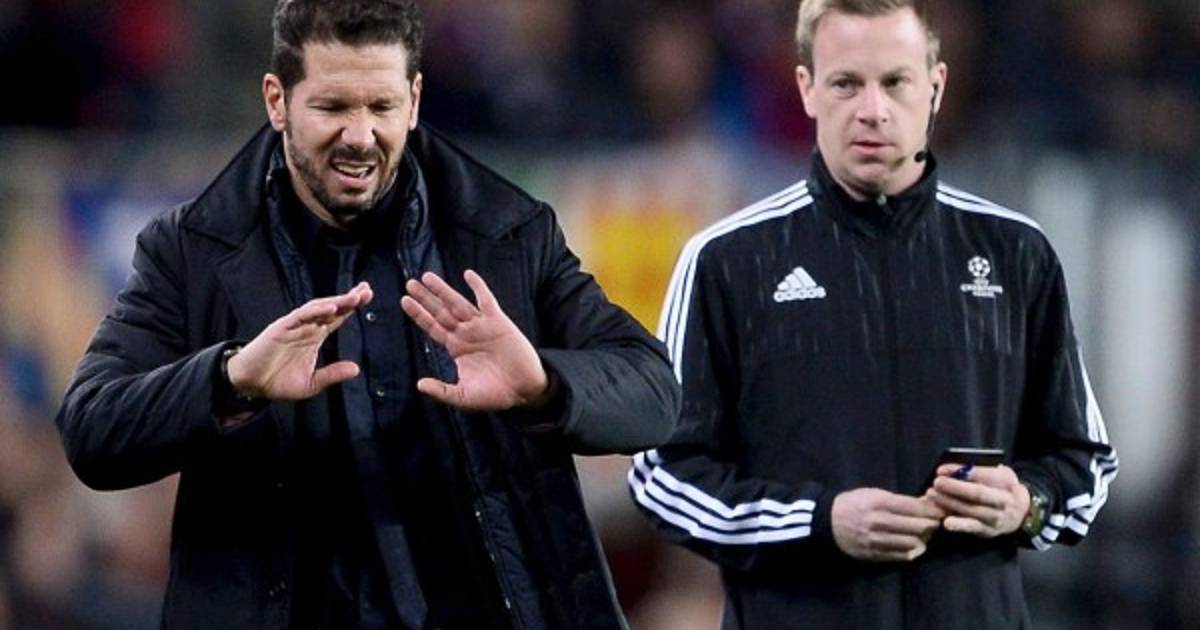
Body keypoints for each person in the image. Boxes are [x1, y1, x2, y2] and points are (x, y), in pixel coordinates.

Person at [55, 1, 680, 629]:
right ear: (277, 101)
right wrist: (230, 380)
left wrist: (542, 385)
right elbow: (91, 428)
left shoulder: (507, 234)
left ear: (414, 101)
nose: (359, 136)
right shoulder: (192, 250)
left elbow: (655, 394)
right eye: (333, 107)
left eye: (381, 107)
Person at [628, 0, 1117, 628]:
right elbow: (663, 477)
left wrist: (1026, 504)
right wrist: (818, 521)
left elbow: (1085, 462)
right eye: (846, 83)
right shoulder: (727, 261)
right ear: (807, 88)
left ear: (935, 87)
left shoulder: (1016, 254)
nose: (873, 110)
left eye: (895, 82)